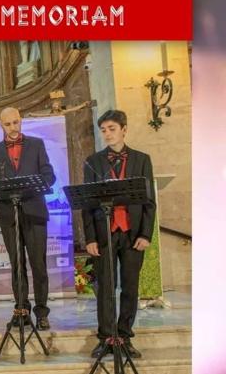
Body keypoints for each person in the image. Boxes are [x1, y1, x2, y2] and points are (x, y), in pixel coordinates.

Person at [83, 110, 156, 359]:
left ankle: (124, 336)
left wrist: (146, 234)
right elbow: (88, 204)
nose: (107, 134)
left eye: (112, 128)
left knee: (130, 287)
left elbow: (149, 202)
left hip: (133, 233)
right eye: (103, 130)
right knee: (104, 287)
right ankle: (105, 338)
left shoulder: (142, 160)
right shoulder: (93, 161)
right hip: (104, 232)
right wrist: (90, 238)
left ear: (124, 129)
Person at [0, 107, 56, 330]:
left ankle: (42, 313)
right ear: (1, 125)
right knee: (17, 265)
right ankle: (21, 309)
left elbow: (49, 175)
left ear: (21, 121)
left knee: (38, 265)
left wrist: (33, 185)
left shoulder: (36, 144)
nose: (13, 128)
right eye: (8, 124)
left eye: (16, 122)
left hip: (34, 212)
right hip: (9, 215)